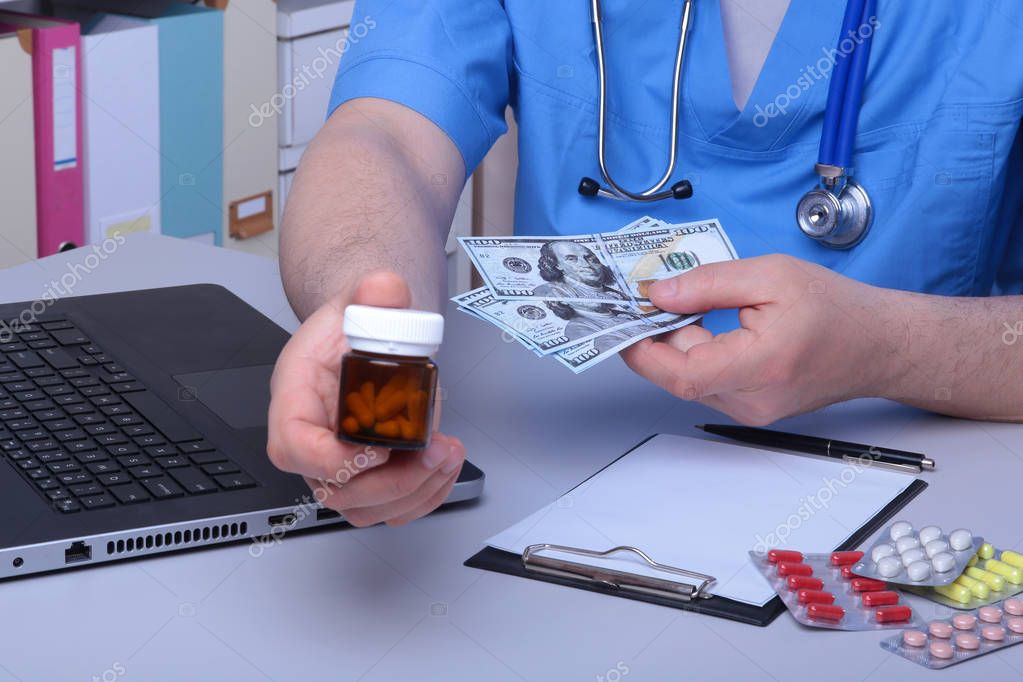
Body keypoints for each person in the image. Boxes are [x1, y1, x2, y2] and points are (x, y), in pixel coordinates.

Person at [267, 0, 1023, 527]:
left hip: (918, 494)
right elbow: (386, 130)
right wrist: (365, 320)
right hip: (549, 475)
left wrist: (887, 347)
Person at [533, 241, 627, 302]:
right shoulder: (547, 293)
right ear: (557, 265)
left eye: (589, 258)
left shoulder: (621, 296)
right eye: (571, 259)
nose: (586, 264)